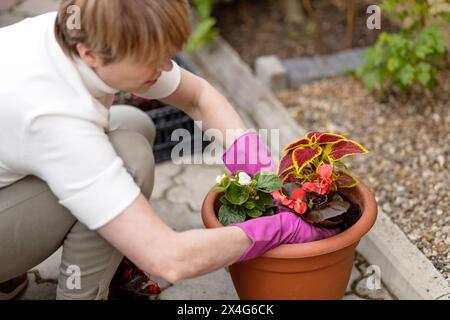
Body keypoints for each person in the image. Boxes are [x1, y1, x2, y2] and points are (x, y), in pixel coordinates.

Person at [0, 0, 336, 300]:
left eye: (167, 53)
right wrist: (277, 229)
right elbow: (170, 258)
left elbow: (198, 97)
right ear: (90, 54)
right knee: (129, 157)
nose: (165, 67)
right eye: (150, 60)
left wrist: (259, 169)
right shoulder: (56, 120)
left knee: (133, 123)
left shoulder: (72, 31)